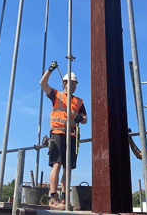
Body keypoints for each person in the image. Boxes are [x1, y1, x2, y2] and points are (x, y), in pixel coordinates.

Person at [40, 61, 87, 209]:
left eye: (75, 84)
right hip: (58, 134)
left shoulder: (78, 101)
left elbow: (85, 118)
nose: (73, 86)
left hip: (72, 135)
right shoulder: (56, 95)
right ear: (64, 83)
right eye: (70, 83)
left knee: (68, 167)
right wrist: (50, 70)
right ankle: (53, 196)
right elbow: (43, 83)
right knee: (57, 164)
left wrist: (81, 118)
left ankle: (65, 198)